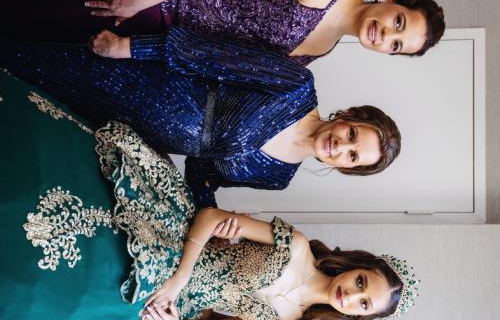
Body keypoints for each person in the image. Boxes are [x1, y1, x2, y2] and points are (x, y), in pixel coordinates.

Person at [0, 72, 414, 320]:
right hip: (179, 254)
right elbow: (212, 217)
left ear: (357, 316)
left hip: (178, 309)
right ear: (357, 267)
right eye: (362, 282)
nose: (352, 295)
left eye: (363, 304)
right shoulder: (297, 246)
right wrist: (178, 280)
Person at [0, 25, 401, 208]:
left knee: (36, 110)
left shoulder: (278, 178)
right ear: (348, 115)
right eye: (352, 135)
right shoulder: (297, 86)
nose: (341, 147)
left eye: (352, 157)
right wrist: (129, 48)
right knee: (32, 63)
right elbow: (211, 55)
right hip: (141, 83)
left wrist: (208, 207)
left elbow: (202, 170)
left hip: (130, 136)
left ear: (346, 169)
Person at [1, 0, 445, 63]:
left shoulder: (323, 49)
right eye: (399, 22)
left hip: (154, 38)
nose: (385, 35)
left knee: (31, 32)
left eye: (396, 45)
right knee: (28, 0)